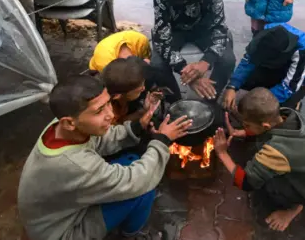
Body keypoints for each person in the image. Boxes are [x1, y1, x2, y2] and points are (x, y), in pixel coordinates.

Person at [17, 75, 193, 240]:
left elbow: (100, 140)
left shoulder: (60, 127)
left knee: (131, 159)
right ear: (69, 122)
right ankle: (131, 234)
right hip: (63, 232)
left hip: (61, 211)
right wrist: (162, 140)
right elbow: (138, 181)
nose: (111, 114)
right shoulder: (76, 165)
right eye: (99, 110)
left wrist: (137, 127)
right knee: (143, 190)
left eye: (108, 103)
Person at [213, 88, 305, 232]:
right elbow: (264, 129)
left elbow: (245, 182)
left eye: (247, 125)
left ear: (265, 125)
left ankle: (294, 208)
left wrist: (222, 153)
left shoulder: (277, 150)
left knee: (267, 184)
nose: (244, 127)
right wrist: (243, 132)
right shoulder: (288, 115)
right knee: (260, 154)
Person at [151, 0, 236, 102]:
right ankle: (175, 103)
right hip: (175, 32)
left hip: (205, 30)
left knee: (227, 60)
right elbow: (162, 35)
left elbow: (219, 27)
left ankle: (210, 98)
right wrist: (186, 71)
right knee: (156, 65)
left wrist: (206, 62)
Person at [223, 23, 305, 111]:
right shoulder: (267, 33)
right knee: (246, 82)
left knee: (277, 109)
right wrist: (232, 86)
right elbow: (248, 61)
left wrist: (262, 101)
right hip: (272, 69)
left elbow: (289, 86)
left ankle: (295, 102)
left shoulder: (304, 50)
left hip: (297, 79)